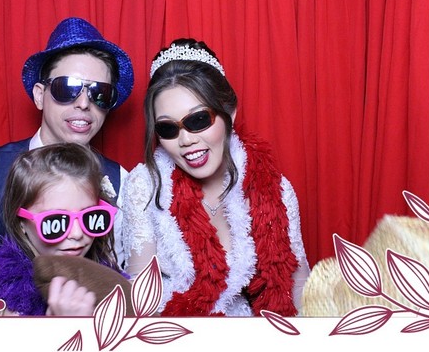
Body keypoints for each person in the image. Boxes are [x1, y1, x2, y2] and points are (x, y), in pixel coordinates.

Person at [0, 17, 133, 317]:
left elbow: (120, 282)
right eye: (68, 88)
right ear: (40, 95)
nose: (84, 104)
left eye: (100, 93)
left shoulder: (122, 180)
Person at [117, 38, 309, 316]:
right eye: (168, 129)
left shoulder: (276, 190)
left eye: (198, 120)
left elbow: (298, 288)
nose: (185, 140)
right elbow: (139, 297)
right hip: (171, 330)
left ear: (229, 112)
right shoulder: (145, 185)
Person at [0, 143, 120, 316]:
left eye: (90, 217)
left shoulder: (111, 282)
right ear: (21, 223)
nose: (77, 234)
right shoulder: (12, 309)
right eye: (56, 222)